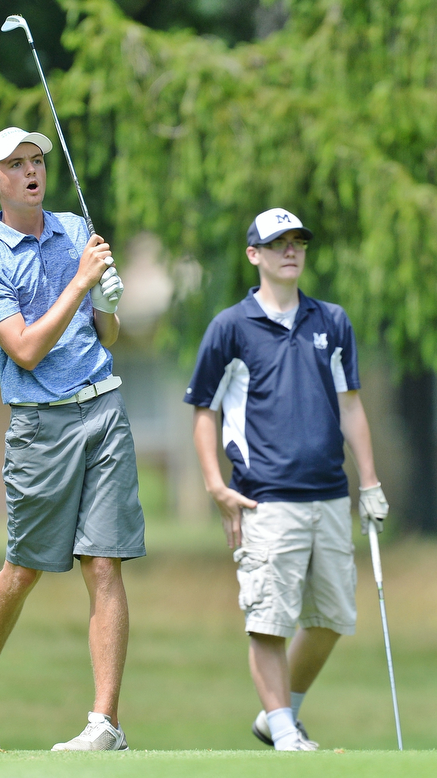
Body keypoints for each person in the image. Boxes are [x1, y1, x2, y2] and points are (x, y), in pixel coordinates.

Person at [0, 126, 145, 752]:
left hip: (104, 408)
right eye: (16, 164)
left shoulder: (72, 229)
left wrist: (109, 301)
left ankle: (105, 725)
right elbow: (29, 350)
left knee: (104, 561)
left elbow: (106, 336)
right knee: (25, 569)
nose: (32, 170)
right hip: (42, 425)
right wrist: (83, 284)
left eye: (37, 160)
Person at [183, 207, 388, 751]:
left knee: (332, 619)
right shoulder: (230, 327)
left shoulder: (331, 320)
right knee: (269, 620)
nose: (290, 251)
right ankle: (283, 728)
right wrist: (214, 486)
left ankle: (278, 716)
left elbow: (350, 407)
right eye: (278, 243)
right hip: (263, 498)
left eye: (298, 241)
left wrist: (369, 482)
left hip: (329, 495)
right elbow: (204, 411)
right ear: (255, 255)